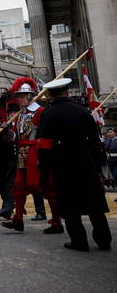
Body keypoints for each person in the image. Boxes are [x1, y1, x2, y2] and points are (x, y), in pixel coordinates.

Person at [38, 78, 112, 251]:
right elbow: (95, 142)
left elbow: (45, 145)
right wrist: (98, 165)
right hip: (86, 161)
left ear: (50, 95)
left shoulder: (48, 114)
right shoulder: (83, 111)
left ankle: (79, 241)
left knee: (70, 205)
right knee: (94, 204)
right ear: (67, 92)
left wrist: (44, 171)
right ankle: (103, 239)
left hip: (62, 163)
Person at [1, 77, 63, 234]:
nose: (20, 99)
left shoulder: (41, 112)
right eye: (19, 96)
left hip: (38, 154)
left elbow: (46, 135)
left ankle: (57, 221)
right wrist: (8, 133)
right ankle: (18, 220)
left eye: (22, 96)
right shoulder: (20, 114)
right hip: (22, 155)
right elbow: (17, 136)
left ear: (30, 96)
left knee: (48, 187)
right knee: (18, 187)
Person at [104, 128, 117, 193]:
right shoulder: (106, 140)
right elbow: (105, 148)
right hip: (110, 160)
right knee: (112, 175)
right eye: (108, 132)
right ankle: (114, 186)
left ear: (115, 133)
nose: (109, 133)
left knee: (115, 175)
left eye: (111, 132)